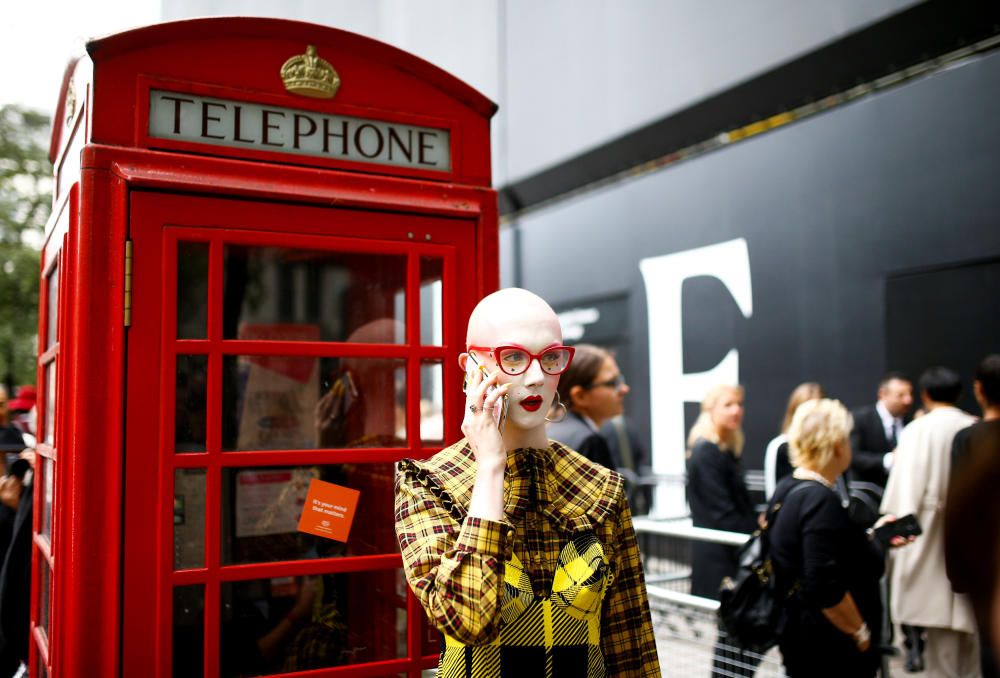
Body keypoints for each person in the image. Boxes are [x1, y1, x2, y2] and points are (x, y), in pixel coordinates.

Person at [394, 288, 659, 677]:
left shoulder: (600, 486)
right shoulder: (428, 483)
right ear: (472, 367)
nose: (536, 378)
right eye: (513, 357)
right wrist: (489, 468)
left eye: (550, 357)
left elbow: (631, 643)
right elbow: (467, 620)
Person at [770, 398, 897, 678]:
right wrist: (860, 632)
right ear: (838, 445)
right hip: (829, 650)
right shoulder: (819, 500)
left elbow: (821, 551)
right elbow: (824, 586)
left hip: (802, 638)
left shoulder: (788, 488)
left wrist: (870, 538)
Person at [882, 366, 980, 677]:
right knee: (970, 640)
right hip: (972, 545)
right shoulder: (975, 426)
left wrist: (892, 538)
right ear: (962, 393)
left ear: (925, 395)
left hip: (928, 543)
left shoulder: (917, 431)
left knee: (940, 646)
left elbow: (903, 495)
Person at [686, 384, 758, 677]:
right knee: (733, 641)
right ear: (710, 410)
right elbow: (722, 513)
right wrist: (758, 531)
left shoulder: (723, 450)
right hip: (721, 559)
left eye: (739, 404)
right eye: (728, 404)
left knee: (735, 642)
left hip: (729, 554)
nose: (736, 410)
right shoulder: (707, 452)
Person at [947, 354, 1000, 678]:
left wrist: (959, 577)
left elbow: (959, 514)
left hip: (988, 578)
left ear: (979, 390)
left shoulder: (969, 440)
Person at [545, 343, 624, 469]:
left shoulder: (549, 431)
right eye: (612, 383)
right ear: (580, 396)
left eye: (620, 380)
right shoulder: (589, 442)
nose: (624, 389)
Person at [850, 372, 914, 491]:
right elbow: (854, 457)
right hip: (870, 493)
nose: (908, 400)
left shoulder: (911, 422)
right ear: (883, 394)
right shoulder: (860, 418)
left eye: (910, 394)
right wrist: (889, 459)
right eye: (900, 395)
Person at [763, 382, 824, 500]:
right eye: (806, 413)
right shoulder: (781, 447)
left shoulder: (832, 446)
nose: (812, 419)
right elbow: (774, 496)